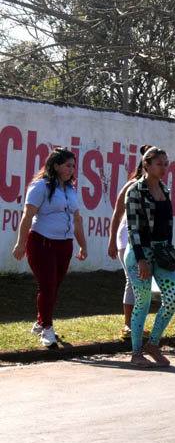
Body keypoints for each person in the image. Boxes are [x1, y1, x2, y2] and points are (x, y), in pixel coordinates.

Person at [12, 147, 88, 347]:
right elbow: (27, 216)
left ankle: (39, 321)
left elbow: (77, 219)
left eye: (73, 166)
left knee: (54, 286)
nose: (72, 170)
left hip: (65, 244)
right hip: (41, 242)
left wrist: (83, 245)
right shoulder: (40, 187)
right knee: (48, 286)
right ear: (55, 165)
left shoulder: (70, 189)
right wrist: (20, 244)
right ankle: (47, 328)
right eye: (67, 165)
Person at [124, 146, 175, 367]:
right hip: (142, 252)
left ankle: (153, 343)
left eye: (166, 164)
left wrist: (169, 250)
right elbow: (133, 228)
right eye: (160, 163)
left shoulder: (165, 189)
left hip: (162, 252)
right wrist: (141, 259)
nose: (164, 168)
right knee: (143, 302)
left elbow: (168, 225)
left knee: (173, 299)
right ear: (146, 164)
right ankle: (136, 352)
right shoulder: (135, 191)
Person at [107, 145, 150, 339]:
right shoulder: (132, 185)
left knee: (142, 283)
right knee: (133, 283)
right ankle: (128, 326)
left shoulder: (157, 188)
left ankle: (136, 324)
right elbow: (117, 213)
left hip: (146, 242)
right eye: (158, 164)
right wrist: (111, 241)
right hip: (127, 239)